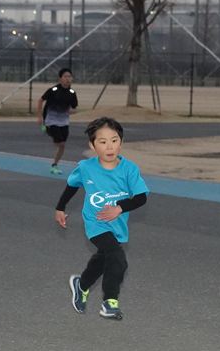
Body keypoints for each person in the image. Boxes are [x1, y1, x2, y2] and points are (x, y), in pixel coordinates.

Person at [54, 117, 149, 320]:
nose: (109, 147)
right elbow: (72, 186)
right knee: (117, 259)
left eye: (114, 140)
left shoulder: (129, 169)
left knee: (104, 258)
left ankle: (81, 285)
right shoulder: (86, 168)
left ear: (121, 142)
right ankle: (110, 302)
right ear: (92, 145)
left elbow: (141, 197)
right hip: (95, 222)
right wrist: (60, 207)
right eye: (103, 142)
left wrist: (120, 208)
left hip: (117, 224)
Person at [37, 68, 79, 175]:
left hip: (64, 122)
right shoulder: (53, 90)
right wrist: (39, 117)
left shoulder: (72, 93)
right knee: (60, 143)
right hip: (51, 121)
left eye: (69, 76)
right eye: (65, 76)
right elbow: (40, 100)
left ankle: (54, 164)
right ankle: (47, 129)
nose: (68, 79)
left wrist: (71, 111)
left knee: (62, 145)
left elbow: (74, 108)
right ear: (60, 78)